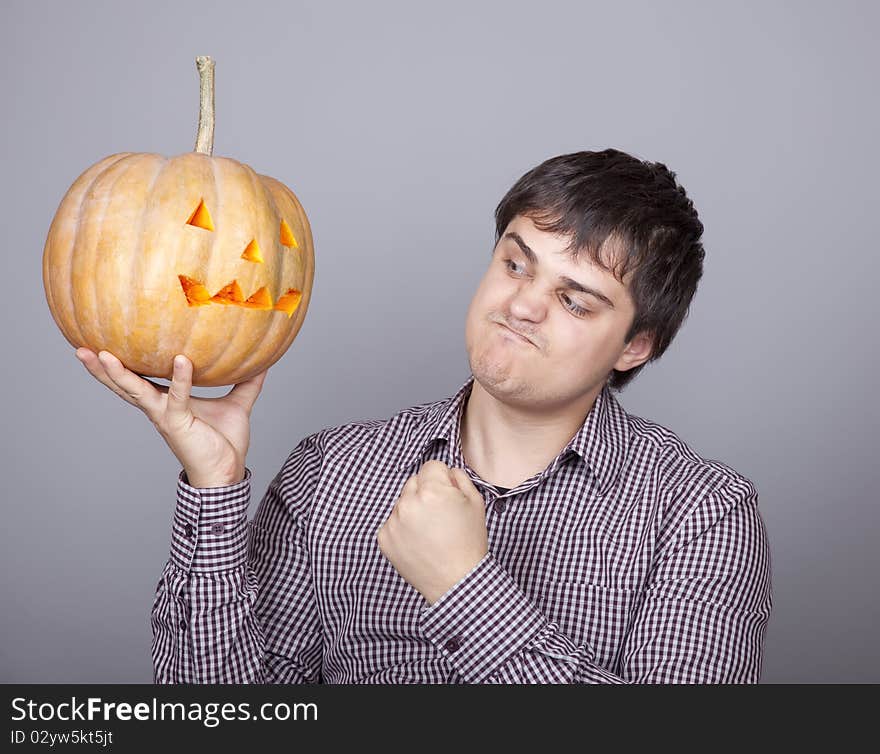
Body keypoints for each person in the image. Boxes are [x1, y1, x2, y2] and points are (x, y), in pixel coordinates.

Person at [76, 148, 772, 684]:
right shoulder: (330, 473)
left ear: (636, 346)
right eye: (517, 265)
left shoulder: (703, 514)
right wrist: (215, 486)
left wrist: (464, 586)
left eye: (575, 301)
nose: (522, 305)